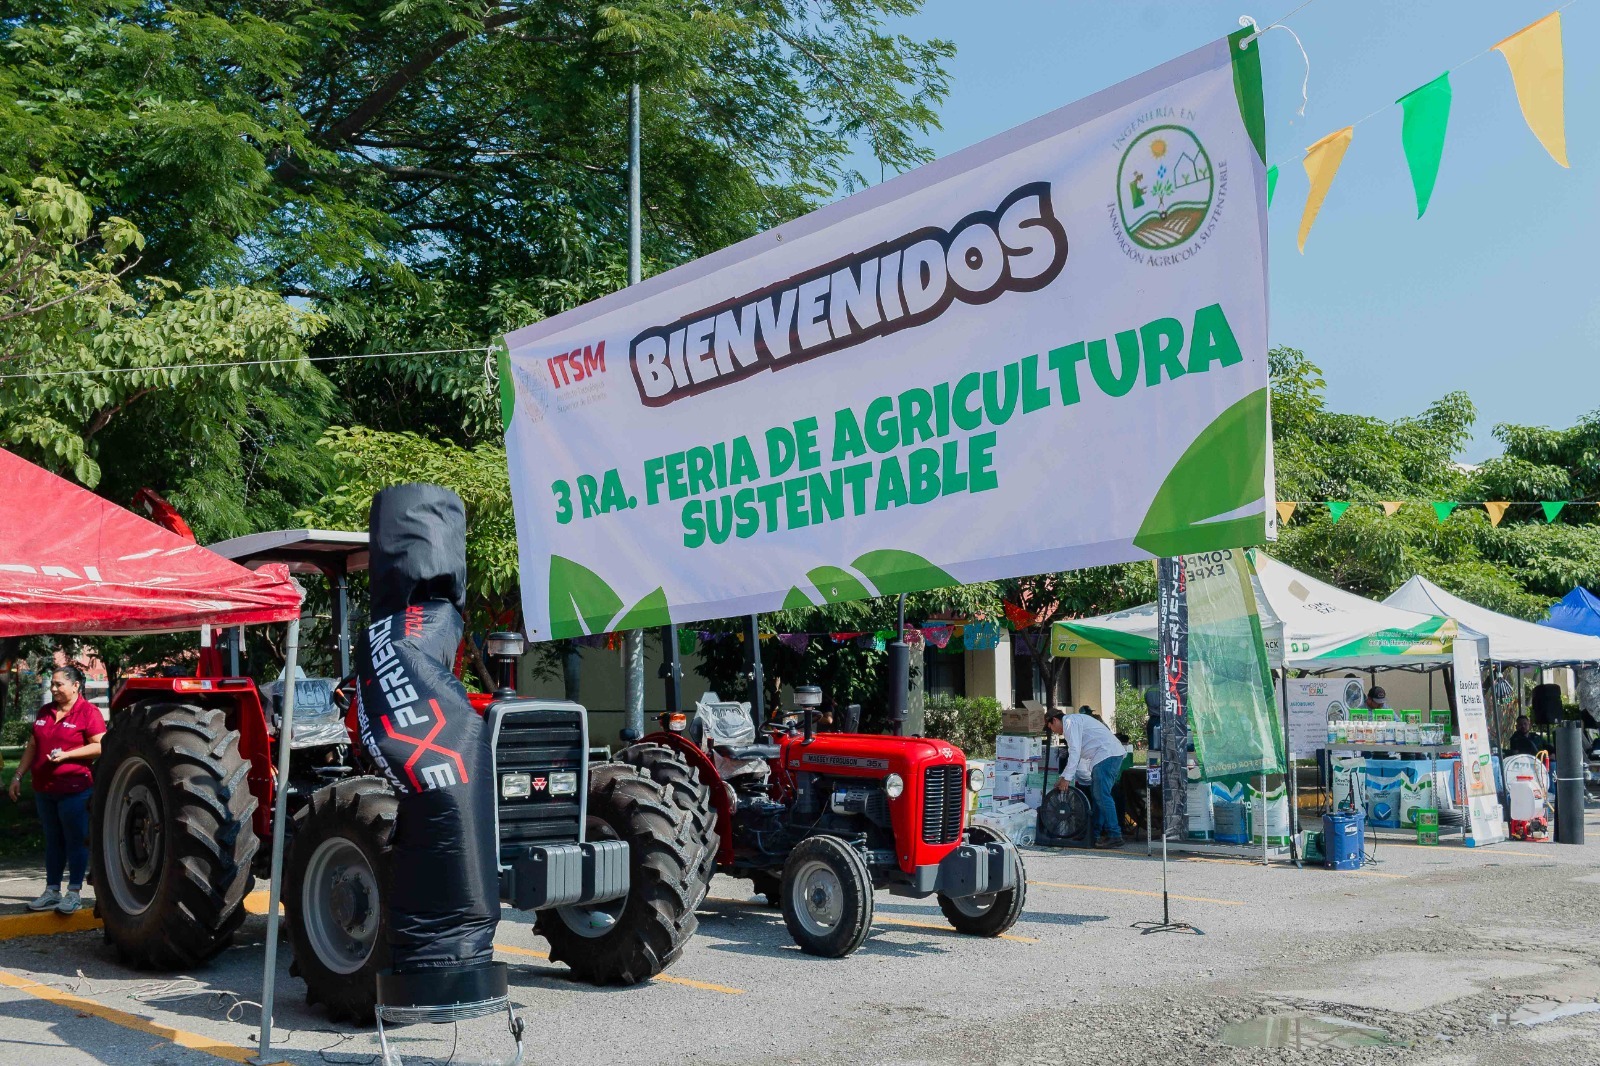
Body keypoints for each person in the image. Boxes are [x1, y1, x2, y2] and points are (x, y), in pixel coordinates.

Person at [7, 665, 106, 914]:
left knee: (75, 840)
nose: (53, 688)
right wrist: (18, 775)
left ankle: (73, 893)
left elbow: (100, 746)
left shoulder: (88, 712)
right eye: (52, 684)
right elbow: (32, 745)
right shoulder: (45, 711)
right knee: (53, 841)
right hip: (44, 790)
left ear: (75, 686)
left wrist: (67, 755)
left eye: (58, 684)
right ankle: (52, 891)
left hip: (75, 790)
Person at [1047, 707, 1127, 848]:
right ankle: (1093, 834)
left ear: (1054, 720)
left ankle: (1114, 835)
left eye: (1051, 727)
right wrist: (1064, 776)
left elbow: (1075, 752)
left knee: (1101, 796)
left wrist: (1066, 778)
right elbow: (1076, 752)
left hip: (1106, 755)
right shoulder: (1074, 721)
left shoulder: (1070, 723)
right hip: (1106, 755)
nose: (1053, 731)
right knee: (1099, 797)